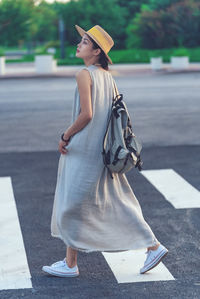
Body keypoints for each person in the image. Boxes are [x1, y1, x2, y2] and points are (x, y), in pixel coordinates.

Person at [42, 24, 168, 278]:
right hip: (102, 151)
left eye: (86, 42)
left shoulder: (85, 74)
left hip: (84, 148)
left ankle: (152, 245)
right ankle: (71, 263)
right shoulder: (107, 77)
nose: (80, 44)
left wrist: (65, 136)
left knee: (73, 203)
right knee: (110, 200)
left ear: (97, 51)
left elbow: (86, 114)